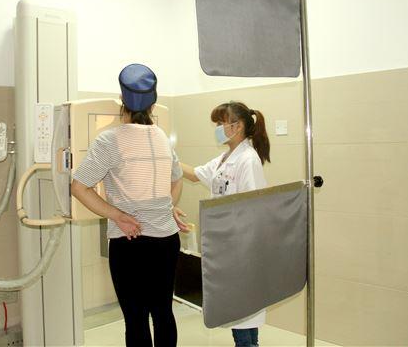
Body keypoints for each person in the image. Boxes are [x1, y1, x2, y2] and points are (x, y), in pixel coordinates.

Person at [71, 63, 188, 347]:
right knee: (163, 313)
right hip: (166, 241)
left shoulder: (109, 140)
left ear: (122, 100)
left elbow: (79, 187)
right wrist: (165, 207)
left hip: (130, 241)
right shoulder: (162, 137)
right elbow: (177, 180)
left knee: (136, 319)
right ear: (153, 103)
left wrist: (117, 215)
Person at [181, 101, 270, 347]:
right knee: (241, 314)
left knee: (242, 314)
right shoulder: (225, 158)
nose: (218, 129)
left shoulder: (247, 160)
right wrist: (167, 157)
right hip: (229, 247)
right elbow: (194, 174)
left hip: (241, 249)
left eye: (221, 123)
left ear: (237, 126)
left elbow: (254, 206)